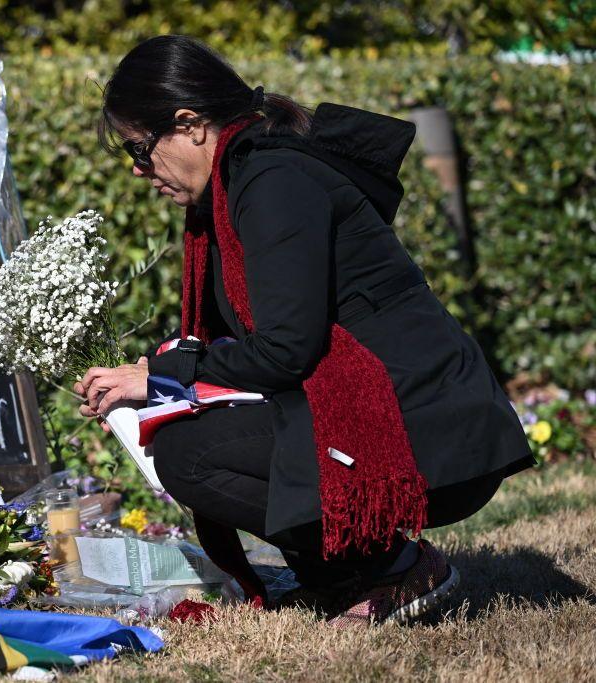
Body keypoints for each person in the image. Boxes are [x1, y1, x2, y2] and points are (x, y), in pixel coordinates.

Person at [73, 35, 534, 627]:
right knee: (187, 430)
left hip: (427, 418)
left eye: (141, 148)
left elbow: (285, 350)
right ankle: (344, 573)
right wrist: (165, 376)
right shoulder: (243, 181)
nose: (140, 170)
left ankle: (398, 565)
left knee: (191, 453)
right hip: (402, 403)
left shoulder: (271, 182)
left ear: (189, 124)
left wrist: (162, 377)